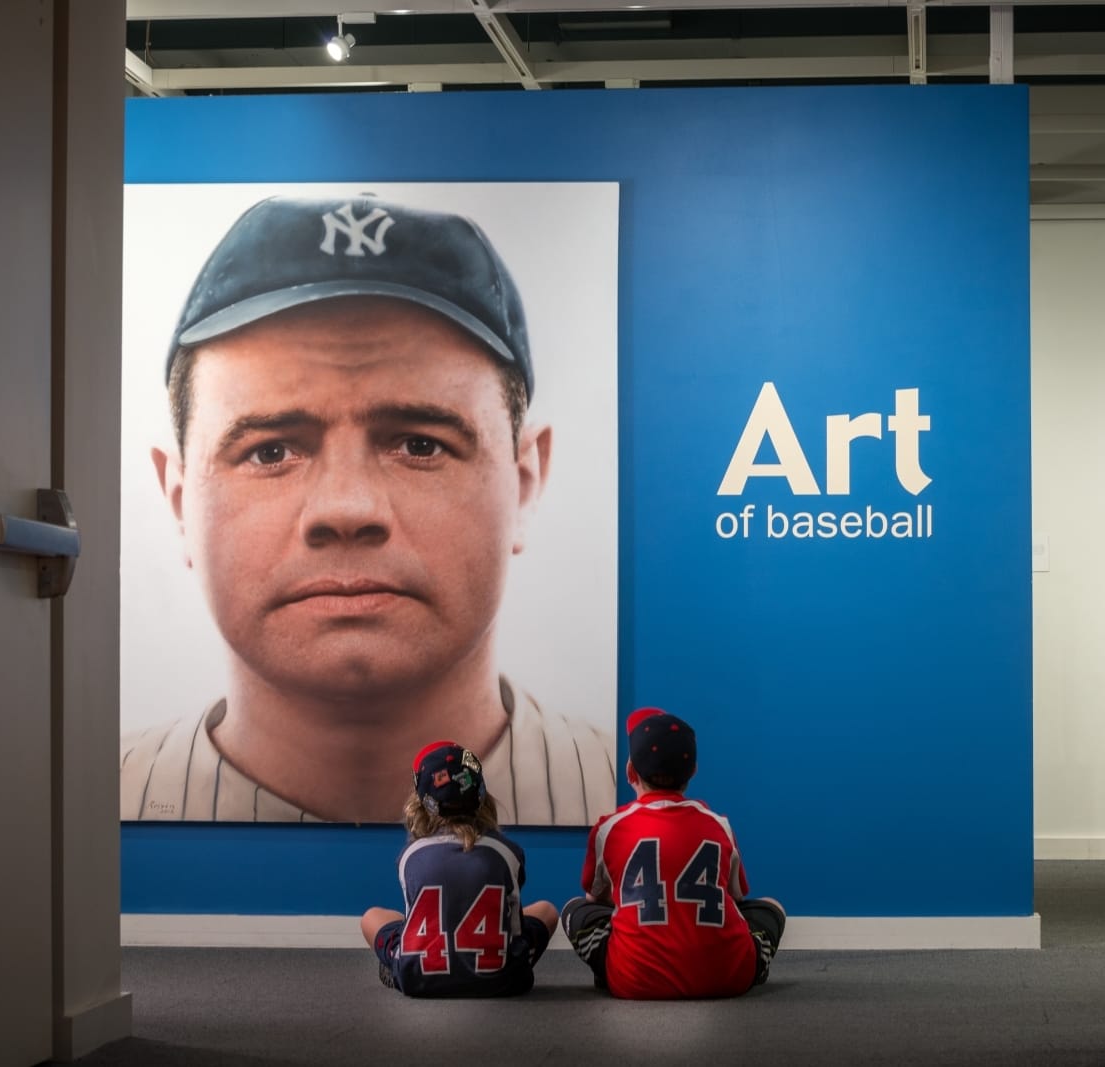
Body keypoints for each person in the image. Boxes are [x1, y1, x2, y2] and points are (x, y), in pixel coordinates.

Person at [119, 194, 615, 826]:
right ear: (179, 498)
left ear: (524, 482)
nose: (346, 509)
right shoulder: (60, 810)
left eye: (419, 444)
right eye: (270, 450)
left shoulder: (622, 807)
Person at [562, 707, 787, 998]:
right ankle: (750, 964)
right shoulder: (719, 824)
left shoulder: (609, 829)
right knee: (772, 905)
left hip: (634, 982)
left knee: (574, 908)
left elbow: (596, 897)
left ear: (630, 771)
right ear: (693, 771)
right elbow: (735, 896)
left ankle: (610, 969)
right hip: (729, 978)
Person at [360, 741, 558, 997]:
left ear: (421, 803)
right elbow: (514, 924)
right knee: (547, 911)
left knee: (372, 917)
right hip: (504, 981)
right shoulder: (507, 852)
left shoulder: (411, 855)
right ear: (482, 796)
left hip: (418, 978)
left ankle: (397, 966)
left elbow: (414, 921)